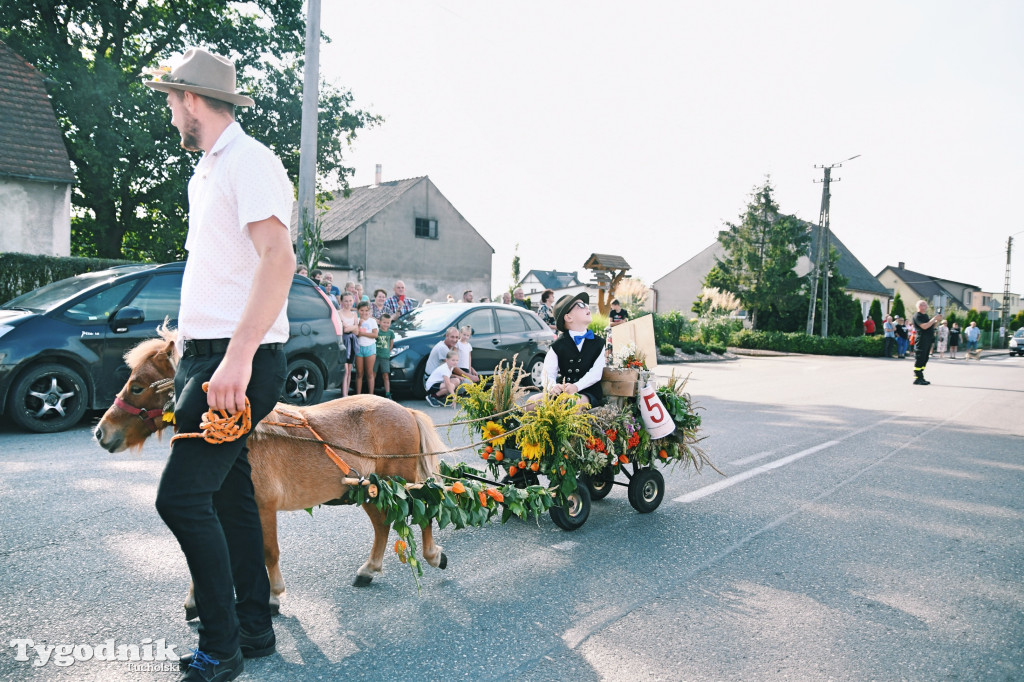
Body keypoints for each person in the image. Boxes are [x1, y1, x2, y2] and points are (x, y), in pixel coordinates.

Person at [144, 47, 291, 680]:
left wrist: (234, 357)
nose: (171, 110)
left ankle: (221, 645)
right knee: (229, 498)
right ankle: (254, 628)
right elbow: (225, 270)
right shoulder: (206, 169)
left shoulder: (249, 161)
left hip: (233, 364)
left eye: (173, 99)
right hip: (206, 356)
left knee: (179, 500)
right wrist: (192, 340)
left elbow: (277, 260)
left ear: (194, 100)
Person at [539, 292, 605, 407]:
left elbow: (596, 373)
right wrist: (552, 386)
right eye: (580, 305)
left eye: (585, 304)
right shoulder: (558, 345)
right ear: (568, 317)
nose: (586, 306)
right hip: (563, 391)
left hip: (588, 392)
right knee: (532, 402)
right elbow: (547, 373)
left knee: (573, 403)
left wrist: (577, 386)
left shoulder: (598, 343)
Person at [912, 300, 941, 385]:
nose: (927, 307)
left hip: (928, 339)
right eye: (924, 305)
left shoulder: (925, 316)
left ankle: (921, 377)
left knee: (925, 358)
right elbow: (924, 326)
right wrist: (933, 319)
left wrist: (937, 321)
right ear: (920, 306)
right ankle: (917, 377)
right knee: (920, 358)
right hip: (922, 339)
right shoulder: (917, 316)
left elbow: (932, 326)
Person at [353, 300, 378, 395]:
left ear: (369, 311)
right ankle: (358, 395)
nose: (364, 313)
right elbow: (356, 334)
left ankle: (371, 394)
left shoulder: (372, 321)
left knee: (369, 373)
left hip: (370, 348)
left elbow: (375, 334)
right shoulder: (357, 321)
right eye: (362, 310)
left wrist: (362, 333)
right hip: (359, 348)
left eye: (366, 310)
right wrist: (359, 324)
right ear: (358, 311)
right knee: (359, 373)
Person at [338, 292, 358, 396]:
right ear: (341, 301)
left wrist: (351, 328)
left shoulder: (354, 314)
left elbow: (357, 331)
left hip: (352, 342)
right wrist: (353, 327)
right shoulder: (339, 313)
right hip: (343, 342)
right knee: (345, 370)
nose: (348, 303)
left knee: (349, 369)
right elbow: (344, 330)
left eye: (350, 300)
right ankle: (344, 394)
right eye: (346, 300)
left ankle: (346, 394)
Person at [375, 313, 395, 399]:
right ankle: (371, 392)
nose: (386, 324)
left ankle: (387, 393)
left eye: (388, 322)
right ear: (379, 322)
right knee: (373, 374)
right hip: (375, 356)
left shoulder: (391, 333)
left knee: (386, 375)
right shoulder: (377, 331)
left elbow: (391, 345)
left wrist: (387, 352)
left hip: (385, 356)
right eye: (384, 322)